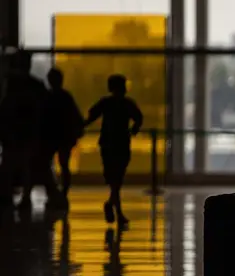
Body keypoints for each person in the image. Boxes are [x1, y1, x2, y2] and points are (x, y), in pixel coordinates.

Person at [85, 74, 143, 228]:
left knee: (115, 180)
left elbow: (91, 116)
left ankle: (112, 205)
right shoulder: (126, 104)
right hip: (118, 144)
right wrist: (134, 128)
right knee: (116, 180)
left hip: (111, 144)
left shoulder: (107, 103)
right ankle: (118, 212)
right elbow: (139, 118)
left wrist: (80, 126)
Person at [0, 50, 52, 211]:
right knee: (26, 167)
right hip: (28, 133)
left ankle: (8, 196)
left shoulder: (10, 85)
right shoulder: (35, 86)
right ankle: (24, 197)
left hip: (14, 133)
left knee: (10, 166)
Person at [43, 68, 84, 204]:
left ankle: (53, 191)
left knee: (46, 164)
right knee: (64, 165)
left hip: (50, 136)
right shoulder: (66, 96)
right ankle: (63, 193)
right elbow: (76, 115)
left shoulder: (47, 97)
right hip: (65, 136)